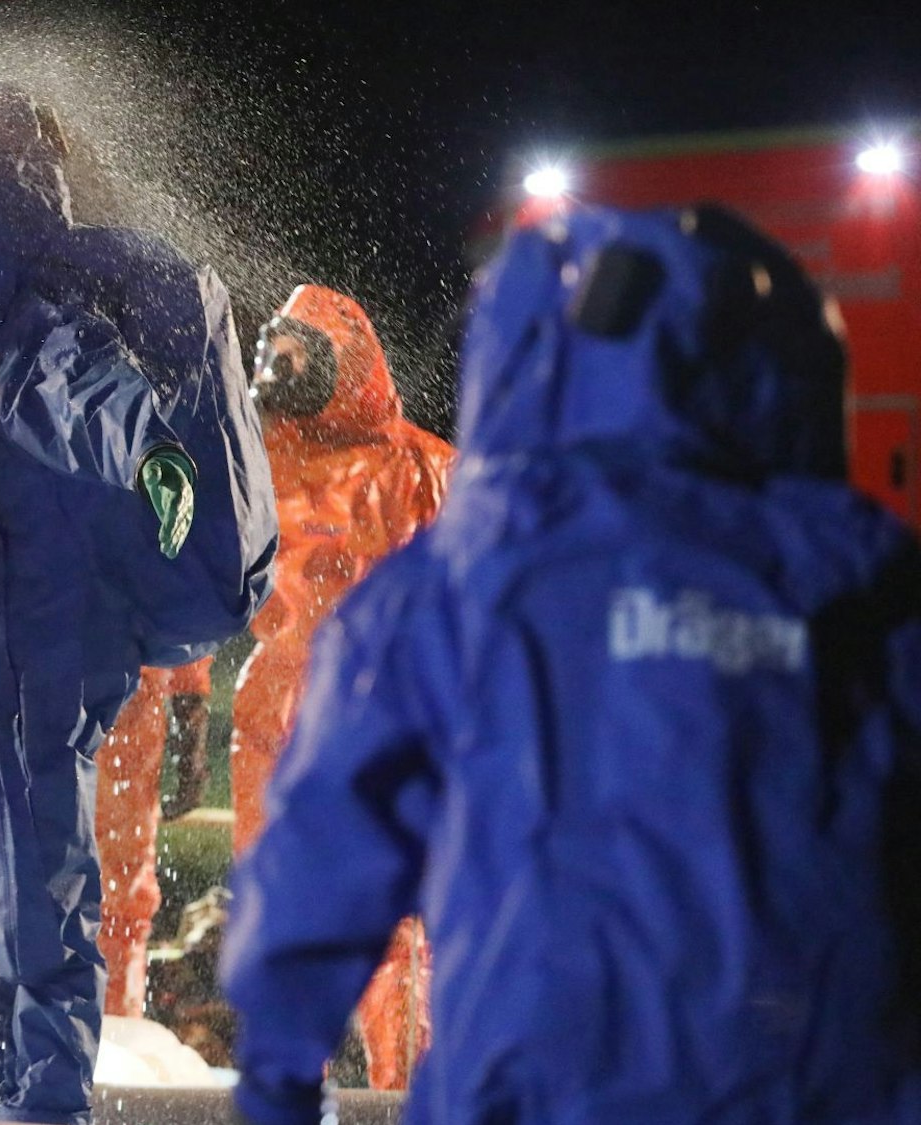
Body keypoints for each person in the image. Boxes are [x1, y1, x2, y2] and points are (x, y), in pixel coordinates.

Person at [222, 204, 921, 1125]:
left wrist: (276, 1085)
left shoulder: (449, 587)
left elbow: (319, 862)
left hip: (527, 1090)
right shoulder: (871, 583)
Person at [0, 80, 276, 1124]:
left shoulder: (21, 333)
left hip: (21, 667)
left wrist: (154, 457)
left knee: (34, 919)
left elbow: (90, 394)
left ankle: (42, 1108)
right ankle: (18, 1098)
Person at [227, 283, 454, 1089]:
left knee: (390, 925)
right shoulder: (255, 453)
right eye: (276, 348)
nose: (280, 366)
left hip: (375, 716)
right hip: (280, 713)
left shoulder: (418, 465)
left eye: (298, 352)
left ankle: (401, 1092)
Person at [0, 657, 214, 1021]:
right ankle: (105, 1040)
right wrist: (189, 719)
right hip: (112, 699)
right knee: (109, 902)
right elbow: (186, 609)